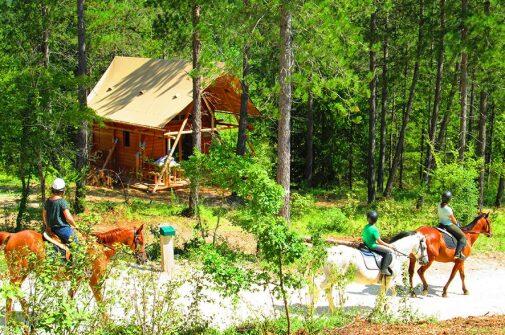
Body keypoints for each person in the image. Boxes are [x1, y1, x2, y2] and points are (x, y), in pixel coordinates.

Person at [42, 178, 78, 245]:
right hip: (62, 229)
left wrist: (47, 226)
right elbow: (68, 217)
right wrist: (75, 225)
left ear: (52, 189)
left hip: (50, 229)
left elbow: (44, 215)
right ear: (63, 191)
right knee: (75, 241)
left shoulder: (48, 201)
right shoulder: (62, 202)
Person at [361, 210, 396, 276]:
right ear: (376, 220)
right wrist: (389, 245)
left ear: (368, 219)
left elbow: (363, 236)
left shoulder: (366, 227)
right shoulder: (374, 229)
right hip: (372, 246)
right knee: (389, 252)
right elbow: (380, 241)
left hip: (366, 245)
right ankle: (384, 269)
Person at [438, 191, 466, 260]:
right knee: (462, 237)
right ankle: (457, 254)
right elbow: (453, 219)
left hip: (441, 224)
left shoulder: (439, 205)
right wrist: (457, 224)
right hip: (448, 225)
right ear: (449, 199)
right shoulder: (448, 209)